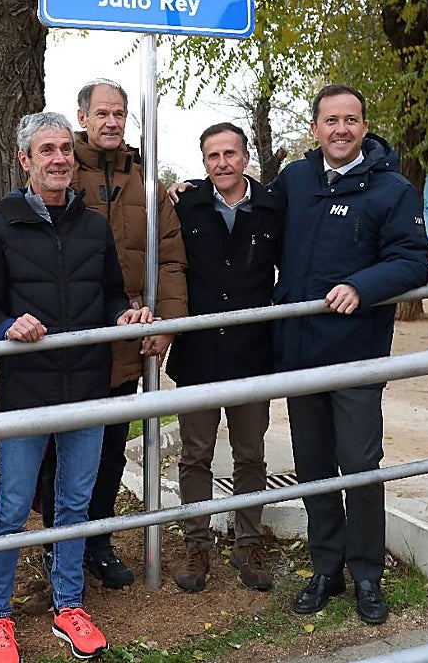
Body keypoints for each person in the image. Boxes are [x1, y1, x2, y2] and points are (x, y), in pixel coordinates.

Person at [0, 112, 154, 663]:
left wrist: (125, 315)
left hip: (88, 386)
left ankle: (68, 606)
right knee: (11, 508)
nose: (57, 159)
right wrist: (7, 328)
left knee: (74, 502)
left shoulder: (93, 225)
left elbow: (112, 294)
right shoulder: (1, 223)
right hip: (28, 389)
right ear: (24, 161)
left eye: (63, 151)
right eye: (45, 151)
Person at [272, 84, 428, 625]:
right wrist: (191, 193)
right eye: (330, 120)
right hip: (298, 352)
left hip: (357, 354)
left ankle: (367, 574)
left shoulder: (392, 190)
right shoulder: (294, 180)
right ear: (315, 127)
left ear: (364, 126)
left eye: (351, 120)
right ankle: (326, 567)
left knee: (359, 464)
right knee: (314, 465)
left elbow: (415, 260)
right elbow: (252, 220)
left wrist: (362, 285)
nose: (341, 129)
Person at [37, 78, 188, 589]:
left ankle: (97, 542)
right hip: (72, 340)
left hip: (129, 336)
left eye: (119, 113)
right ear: (83, 117)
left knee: (109, 449)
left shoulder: (146, 180)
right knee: (60, 449)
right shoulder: (58, 171)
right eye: (101, 113)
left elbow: (169, 256)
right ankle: (57, 542)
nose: (111, 121)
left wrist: (165, 322)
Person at [166, 122, 285, 594]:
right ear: (204, 162)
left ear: (245, 156)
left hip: (252, 351)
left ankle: (248, 541)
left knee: (250, 453)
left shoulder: (274, 207)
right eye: (213, 155)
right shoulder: (185, 204)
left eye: (230, 153)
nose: (222, 163)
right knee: (194, 454)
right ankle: (197, 543)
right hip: (197, 353)